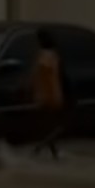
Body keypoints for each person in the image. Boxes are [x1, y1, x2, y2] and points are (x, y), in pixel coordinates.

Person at [31, 28, 65, 160]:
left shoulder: (44, 56)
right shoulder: (52, 55)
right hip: (52, 94)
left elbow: (41, 76)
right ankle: (51, 152)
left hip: (46, 94)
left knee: (50, 126)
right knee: (52, 126)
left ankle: (41, 148)